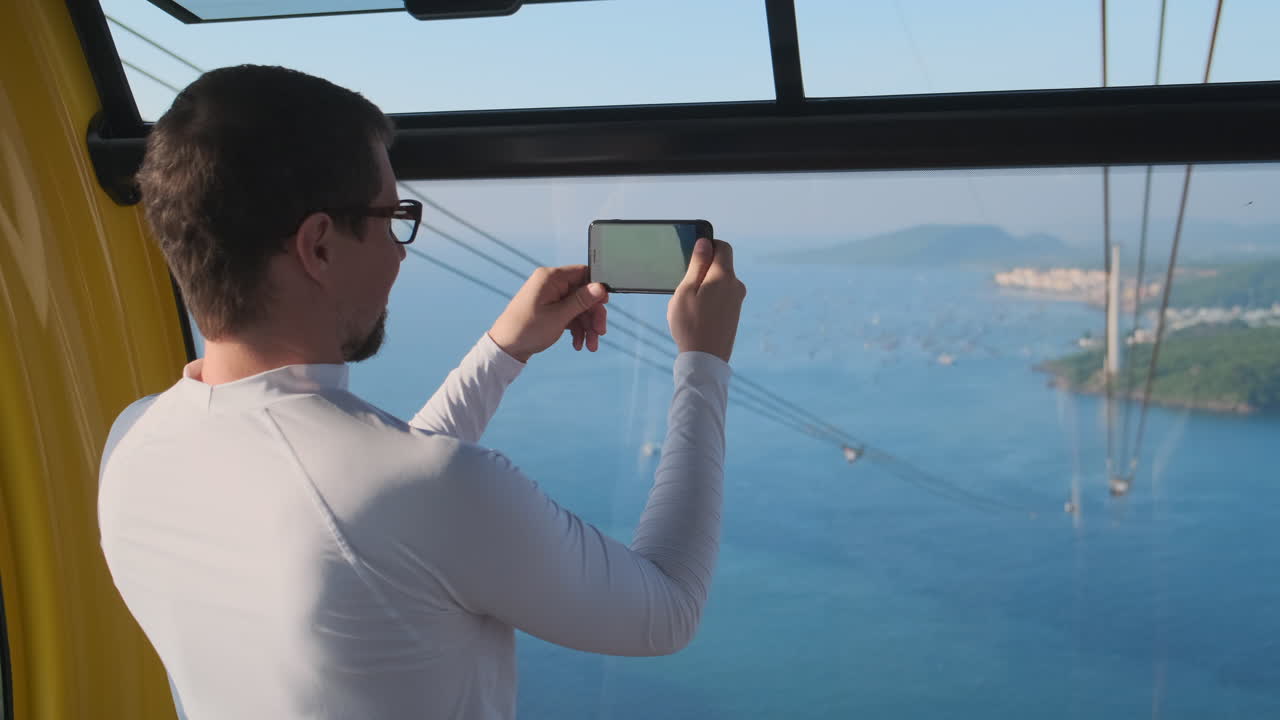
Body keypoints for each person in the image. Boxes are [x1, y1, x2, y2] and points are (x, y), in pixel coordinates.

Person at [97, 65, 746, 719]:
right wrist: (703, 360)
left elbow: (365, 504)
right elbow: (667, 608)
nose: (401, 253)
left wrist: (502, 352)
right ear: (318, 247)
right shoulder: (430, 493)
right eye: (392, 218)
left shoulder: (133, 441)